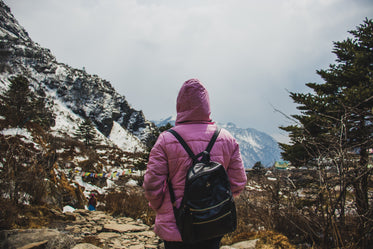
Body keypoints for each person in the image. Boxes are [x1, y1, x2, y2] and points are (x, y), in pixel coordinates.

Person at [143, 79, 247, 249]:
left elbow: (152, 185)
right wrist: (215, 203)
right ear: (207, 104)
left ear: (180, 105)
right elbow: (238, 182)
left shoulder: (166, 140)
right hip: (214, 222)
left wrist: (160, 207)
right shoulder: (227, 138)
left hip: (176, 225)